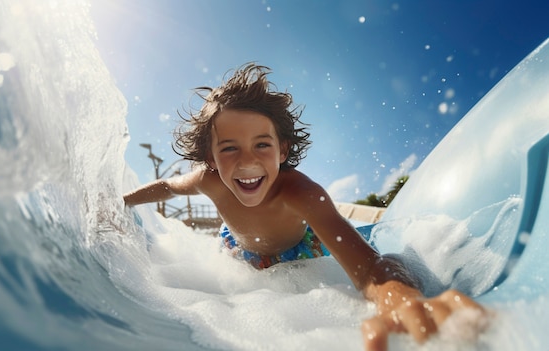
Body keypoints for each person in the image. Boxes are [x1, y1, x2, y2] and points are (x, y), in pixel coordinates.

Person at [123, 63, 485, 350]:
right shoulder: (207, 180)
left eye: (262, 145)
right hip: (238, 247)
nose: (247, 161)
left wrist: (402, 298)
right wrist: (123, 200)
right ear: (211, 158)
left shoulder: (302, 195)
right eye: (230, 148)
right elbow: (168, 187)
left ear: (282, 151)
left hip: (302, 249)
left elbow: (367, 265)